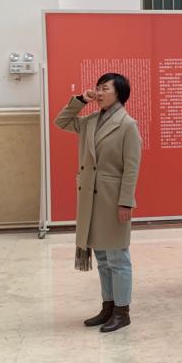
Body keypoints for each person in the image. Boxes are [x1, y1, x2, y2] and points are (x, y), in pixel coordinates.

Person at [54, 73, 142, 333]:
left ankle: (122, 312)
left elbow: (132, 168)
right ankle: (108, 306)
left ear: (119, 94)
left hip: (111, 198)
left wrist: (126, 202)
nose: (99, 92)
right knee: (102, 257)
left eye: (105, 88)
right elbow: (61, 121)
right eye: (98, 88)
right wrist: (81, 100)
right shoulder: (91, 120)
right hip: (90, 197)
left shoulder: (127, 125)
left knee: (118, 257)